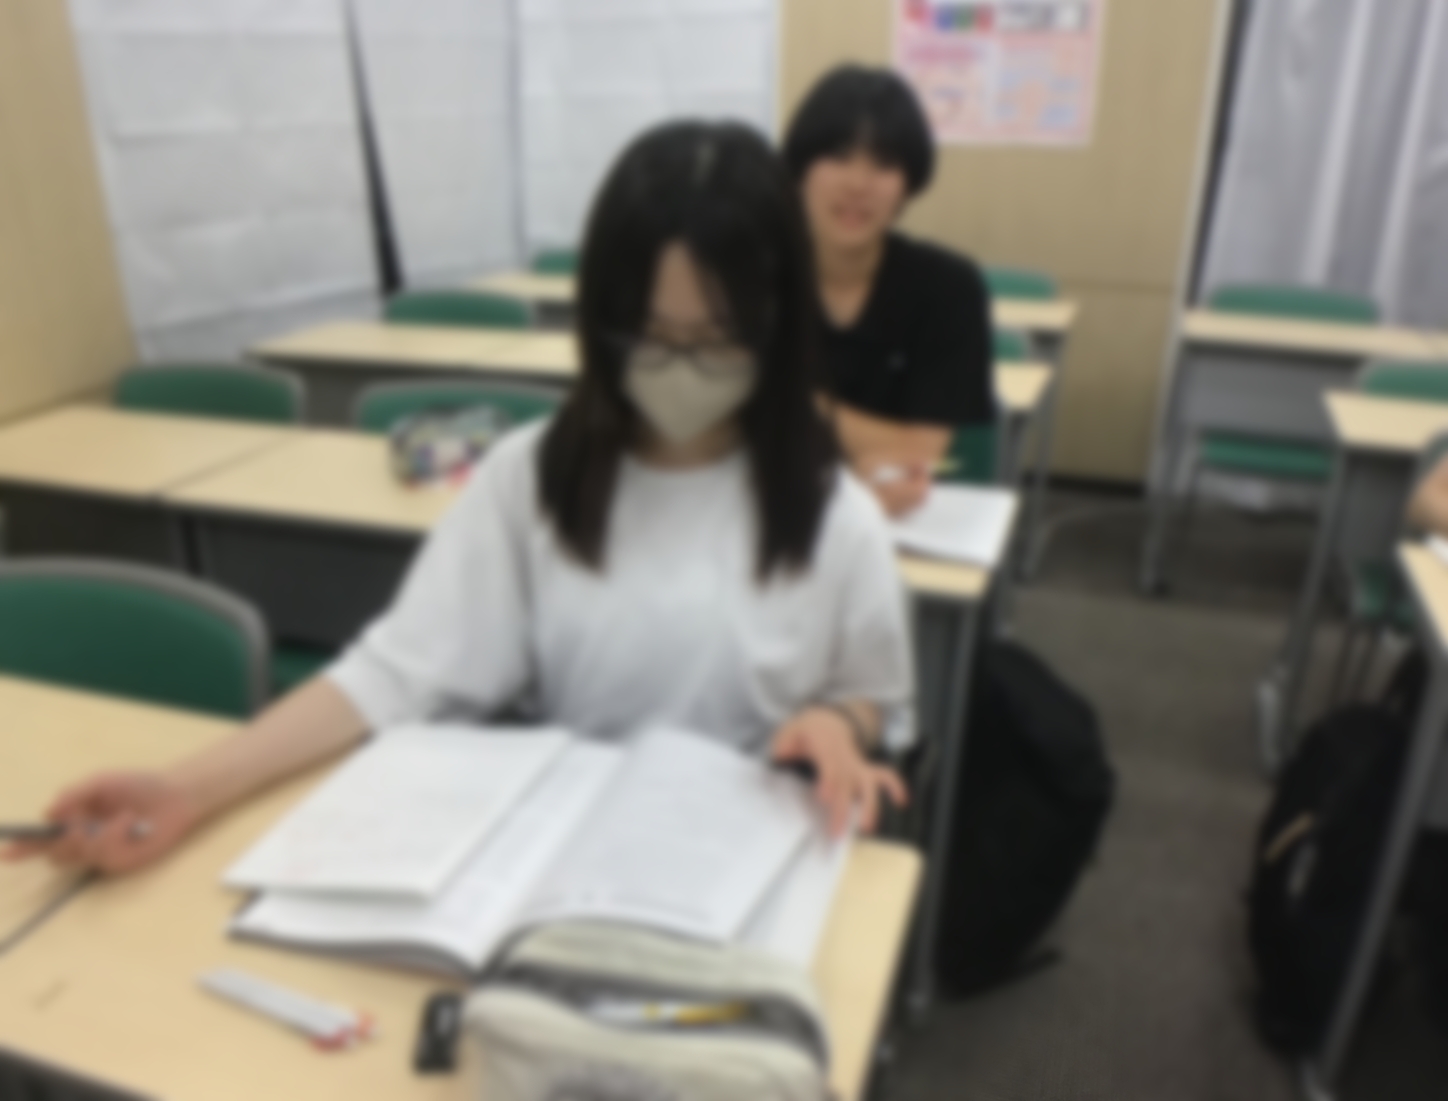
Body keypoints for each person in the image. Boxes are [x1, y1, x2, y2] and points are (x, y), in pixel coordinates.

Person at [4, 121, 912, 877]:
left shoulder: (838, 517)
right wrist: (189, 788)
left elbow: (875, 693)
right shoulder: (533, 475)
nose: (678, 369)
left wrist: (839, 720)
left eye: (715, 341)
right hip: (554, 854)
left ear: (778, 330)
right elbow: (396, 670)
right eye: (648, 335)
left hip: (736, 861)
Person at [783, 65, 995, 517]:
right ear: (800, 170)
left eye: (883, 164)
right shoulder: (754, 277)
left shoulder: (948, 288)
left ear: (908, 186)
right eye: (839, 156)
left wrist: (790, 401)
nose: (857, 184)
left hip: (895, 517)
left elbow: (919, 452)